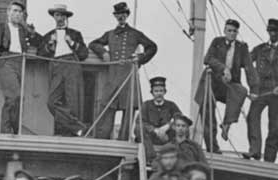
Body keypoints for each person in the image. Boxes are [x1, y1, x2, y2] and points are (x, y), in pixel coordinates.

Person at [89, 2, 157, 140]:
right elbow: (93, 44)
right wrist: (104, 53)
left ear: (127, 15)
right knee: (107, 105)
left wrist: (140, 58)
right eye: (118, 14)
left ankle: (124, 140)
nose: (121, 17)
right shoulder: (109, 34)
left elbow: (152, 47)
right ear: (115, 16)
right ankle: (103, 139)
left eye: (123, 14)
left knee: (129, 108)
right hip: (113, 76)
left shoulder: (135, 34)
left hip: (129, 75)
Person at [0, 1, 42, 134]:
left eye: (20, 12)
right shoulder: (0, 27)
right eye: (14, 11)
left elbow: (39, 43)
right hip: (6, 61)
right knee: (13, 95)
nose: (17, 14)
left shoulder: (24, 30)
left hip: (21, 62)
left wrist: (33, 34)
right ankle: (6, 130)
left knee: (18, 98)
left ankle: (14, 129)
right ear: (8, 13)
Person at [196, 19, 256, 154]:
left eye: (234, 31)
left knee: (241, 90)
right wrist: (223, 68)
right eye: (229, 30)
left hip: (228, 85)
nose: (232, 33)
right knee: (207, 114)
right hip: (212, 82)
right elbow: (207, 59)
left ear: (237, 33)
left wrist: (254, 90)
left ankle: (227, 123)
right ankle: (213, 147)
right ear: (224, 31)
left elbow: (249, 68)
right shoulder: (217, 42)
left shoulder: (242, 48)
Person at [40, 3, 89, 137]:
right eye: (57, 15)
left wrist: (72, 43)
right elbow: (40, 55)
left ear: (66, 17)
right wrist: (50, 45)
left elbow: (84, 54)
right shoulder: (48, 36)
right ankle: (77, 127)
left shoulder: (75, 34)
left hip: (72, 65)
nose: (60, 17)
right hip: (56, 67)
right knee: (51, 102)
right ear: (54, 17)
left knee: (72, 102)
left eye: (62, 15)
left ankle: (69, 134)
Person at [246, 19, 278, 162]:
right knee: (252, 117)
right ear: (268, 32)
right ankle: (254, 151)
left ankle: (270, 158)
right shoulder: (259, 49)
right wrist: (253, 86)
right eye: (271, 31)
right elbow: (246, 62)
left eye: (276, 31)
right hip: (260, 90)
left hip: (277, 93)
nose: (273, 34)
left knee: (275, 125)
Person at [136, 77, 182, 159]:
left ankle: (176, 157)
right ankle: (150, 157)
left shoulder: (171, 105)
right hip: (150, 138)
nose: (159, 94)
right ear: (152, 93)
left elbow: (179, 117)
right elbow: (140, 121)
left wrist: (167, 127)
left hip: (167, 138)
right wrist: (155, 130)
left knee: (180, 127)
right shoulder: (146, 105)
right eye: (156, 91)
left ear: (165, 92)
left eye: (161, 91)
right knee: (139, 128)